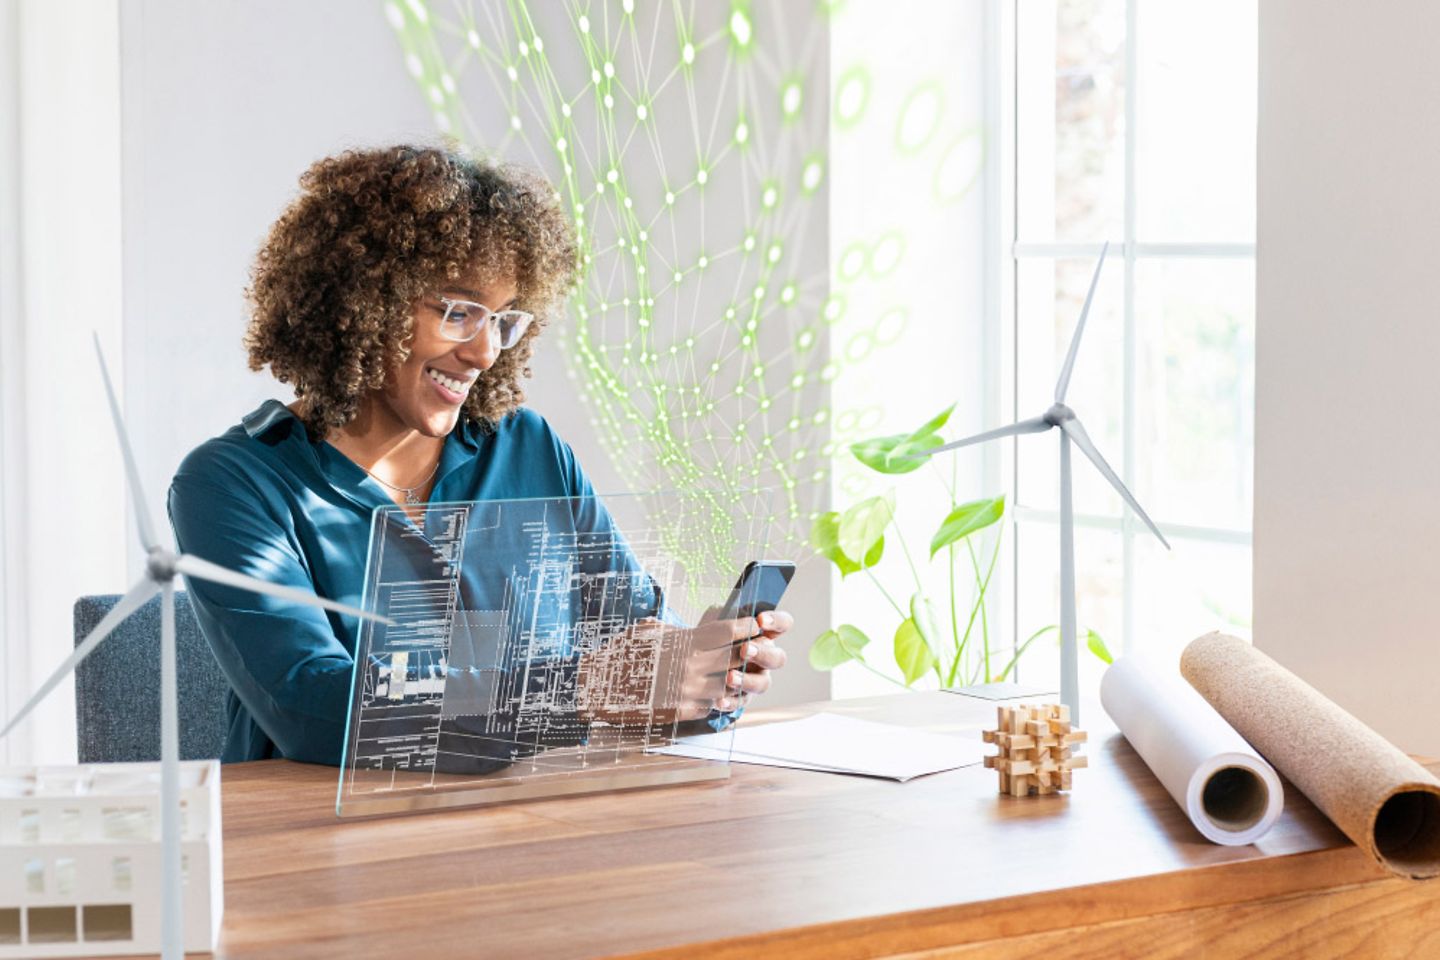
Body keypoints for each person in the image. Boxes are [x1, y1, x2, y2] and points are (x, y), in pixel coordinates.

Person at [168, 145, 790, 767]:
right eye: (459, 311)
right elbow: (315, 707)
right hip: (327, 843)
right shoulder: (233, 483)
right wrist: (582, 689)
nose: (485, 352)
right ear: (361, 303)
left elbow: (632, 643)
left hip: (531, 826)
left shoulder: (527, 448)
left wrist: (705, 671)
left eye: (503, 319)